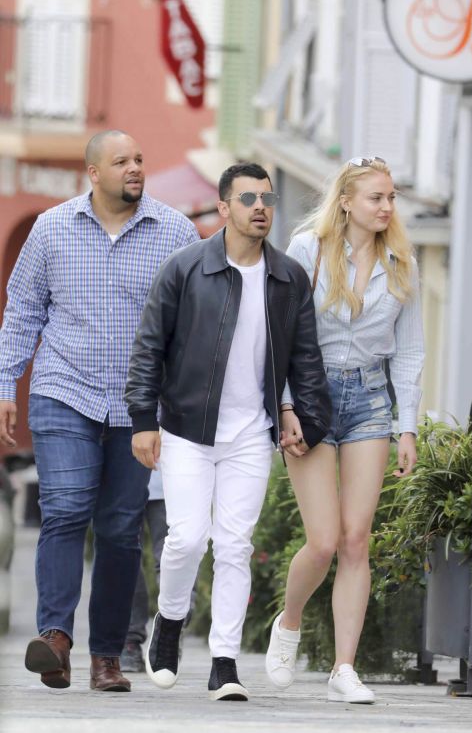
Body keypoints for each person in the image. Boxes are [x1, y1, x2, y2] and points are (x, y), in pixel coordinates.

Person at [0, 130, 199, 692]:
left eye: (139, 159)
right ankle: (56, 637)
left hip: (139, 407)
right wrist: (4, 386)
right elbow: (21, 316)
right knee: (64, 509)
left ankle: (108, 654)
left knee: (117, 529)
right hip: (64, 391)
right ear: (92, 173)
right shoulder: (51, 229)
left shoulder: (175, 233)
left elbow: (190, 326)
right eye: (121, 161)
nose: (135, 168)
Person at [125, 162, 331, 701]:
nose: (260, 206)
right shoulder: (185, 268)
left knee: (234, 545)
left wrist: (306, 420)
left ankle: (224, 661)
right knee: (186, 539)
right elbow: (149, 348)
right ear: (223, 208)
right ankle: (168, 623)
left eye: (267, 197)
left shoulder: (288, 277)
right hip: (188, 429)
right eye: (248, 198)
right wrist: (144, 421)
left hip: (250, 432)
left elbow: (305, 357)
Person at [265, 156, 425, 704]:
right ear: (347, 201)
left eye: (392, 197)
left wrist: (407, 428)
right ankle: (288, 623)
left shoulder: (403, 260)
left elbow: (411, 352)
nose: (386, 207)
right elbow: (278, 335)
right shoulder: (306, 249)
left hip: (371, 401)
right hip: (311, 396)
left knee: (357, 540)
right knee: (324, 540)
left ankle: (344, 668)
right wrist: (285, 407)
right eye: (377, 197)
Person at [119, 468, 197, 673]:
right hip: (122, 474)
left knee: (174, 553)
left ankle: (173, 624)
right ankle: (129, 639)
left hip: (172, 473)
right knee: (123, 555)